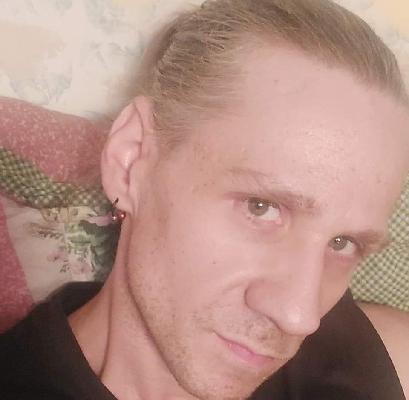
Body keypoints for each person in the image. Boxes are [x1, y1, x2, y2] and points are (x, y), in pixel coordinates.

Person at [1, 0, 409, 399]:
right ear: (132, 159)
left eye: (343, 243)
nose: (299, 317)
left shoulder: (351, 340)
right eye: (261, 208)